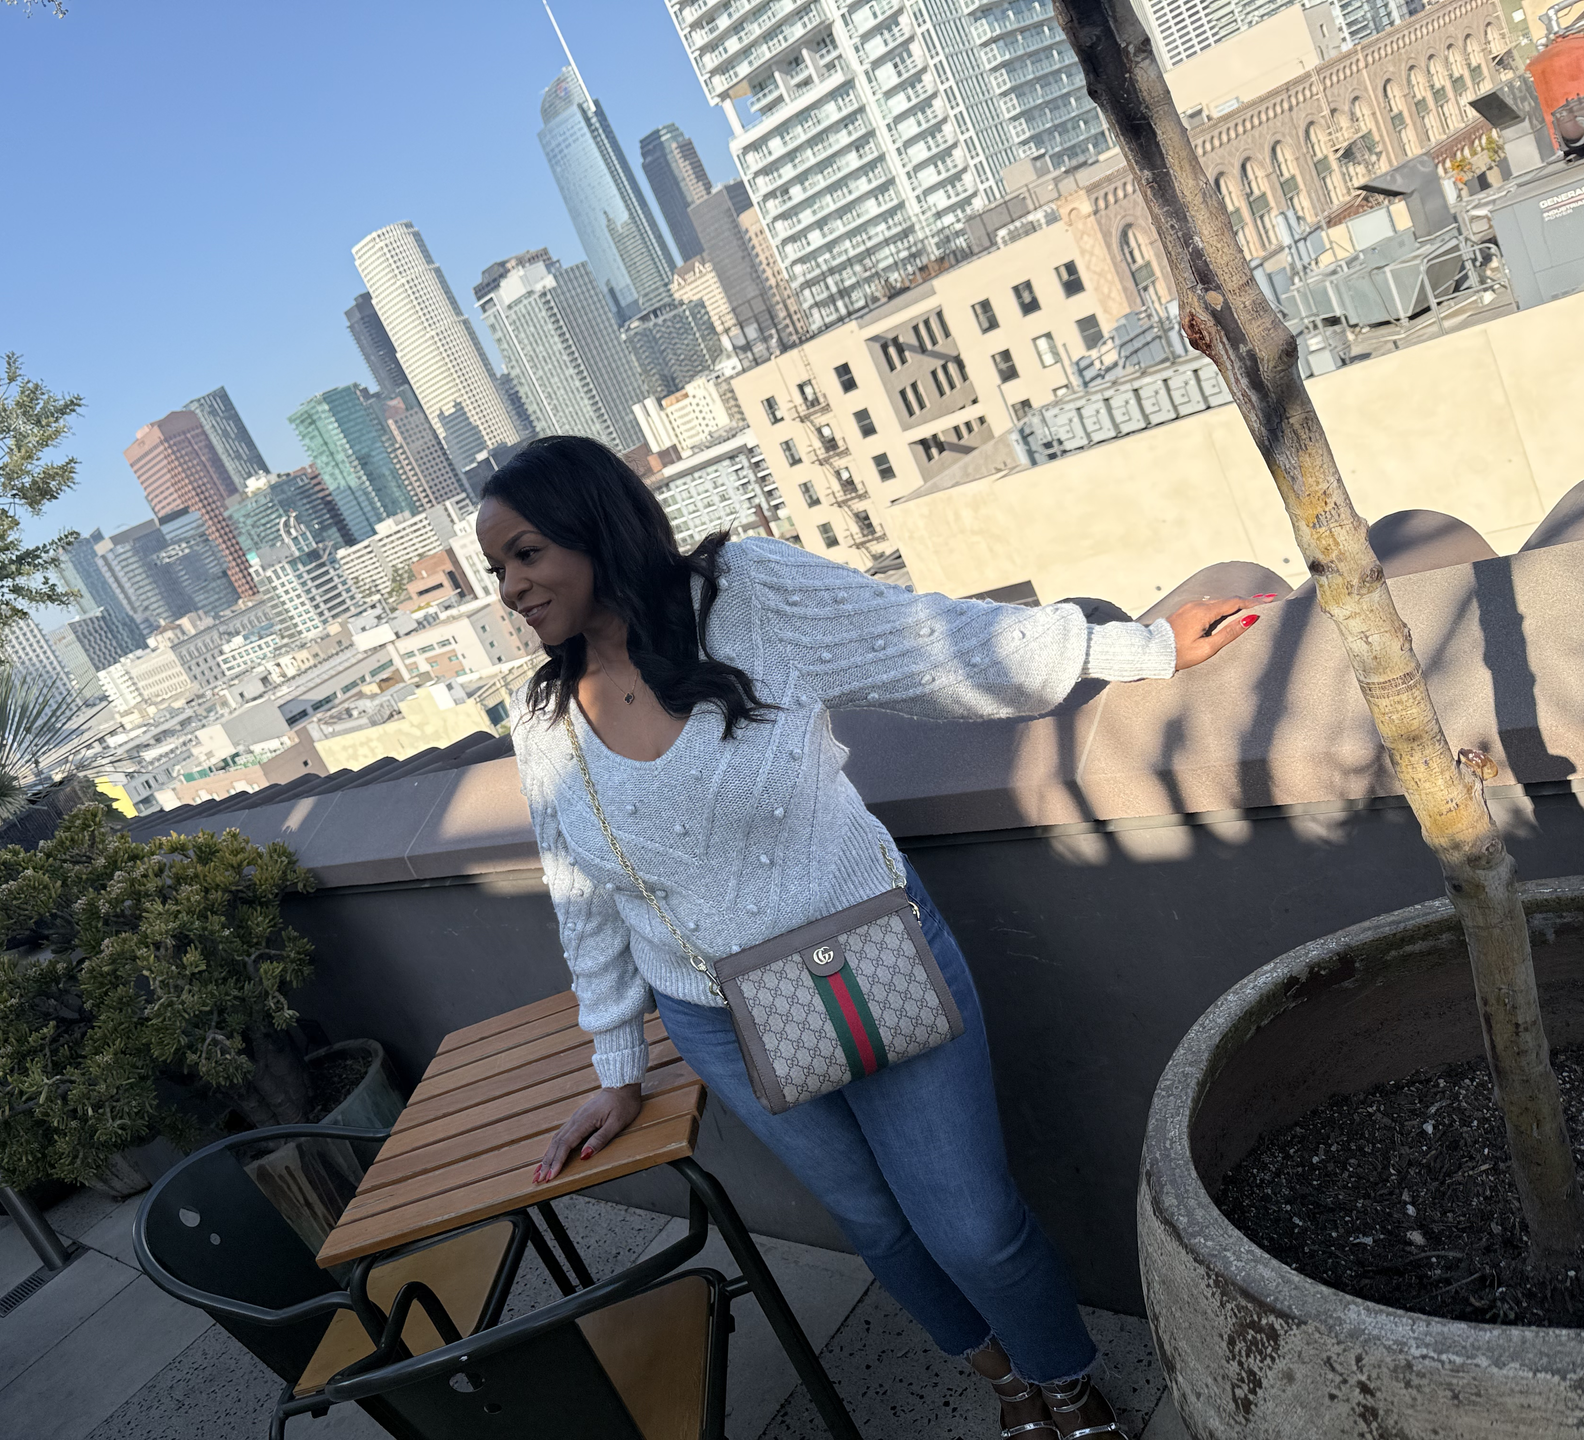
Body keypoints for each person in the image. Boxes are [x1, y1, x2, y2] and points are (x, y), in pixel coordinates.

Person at [480, 435, 1263, 1440]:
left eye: (527, 554)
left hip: (872, 955)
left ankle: (1065, 1379)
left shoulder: (746, 594)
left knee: (973, 1229)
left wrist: (1136, 647)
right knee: (878, 1227)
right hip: (720, 1019)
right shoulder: (542, 719)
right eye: (497, 568)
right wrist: (618, 1066)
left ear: (595, 527)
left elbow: (933, 644)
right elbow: (582, 898)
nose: (511, 586)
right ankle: (1001, 1381)